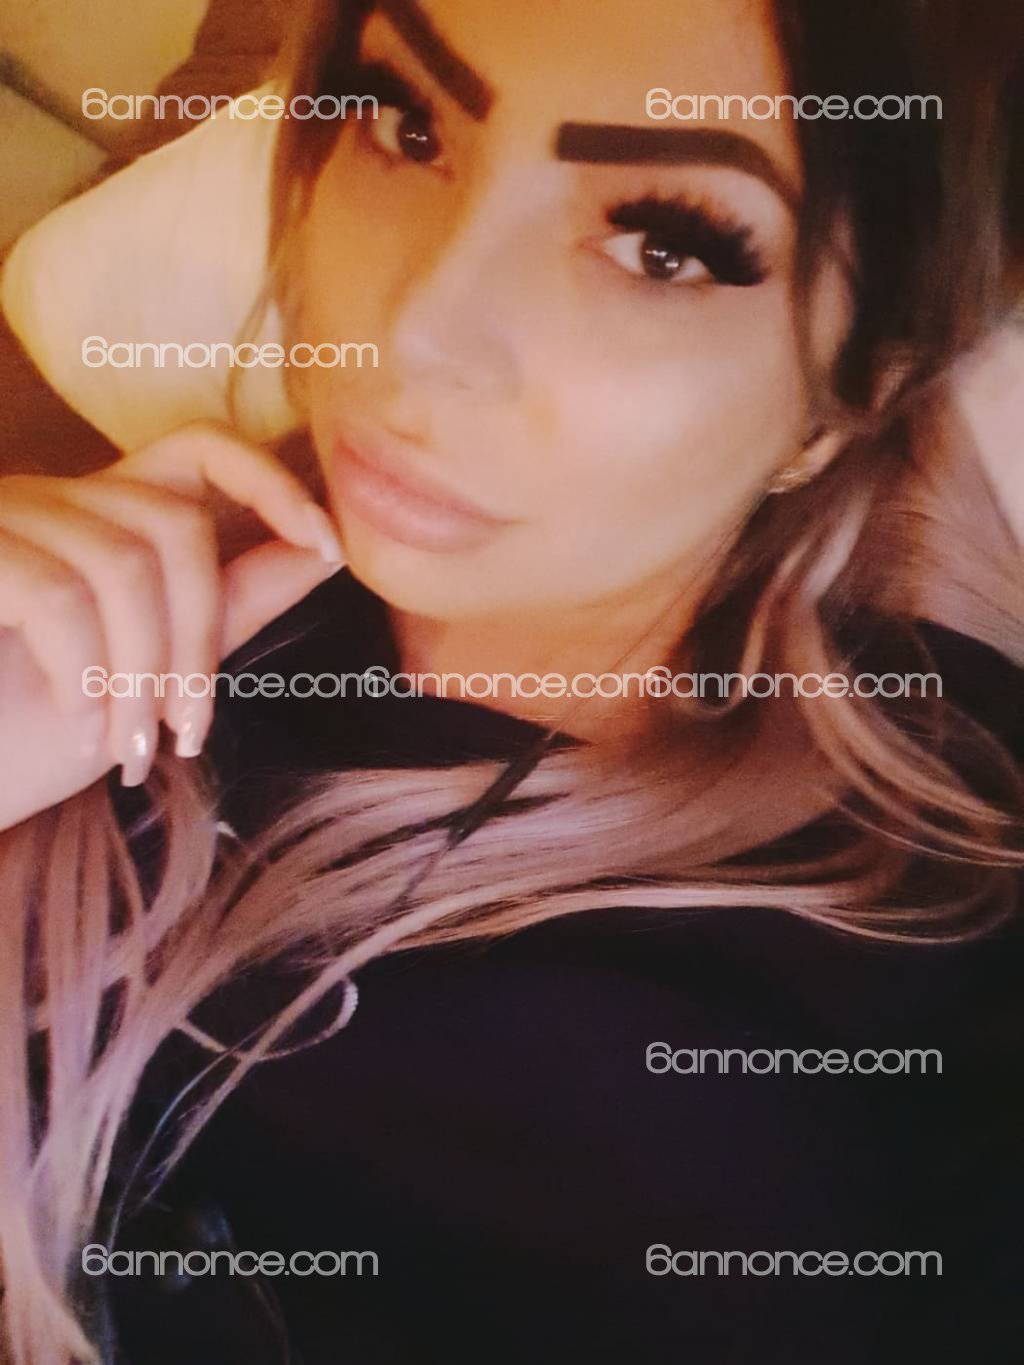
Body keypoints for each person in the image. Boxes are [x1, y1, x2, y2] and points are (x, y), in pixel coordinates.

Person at [0, 0, 1021, 1360]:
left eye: (664, 245)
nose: (415, 334)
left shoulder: (930, 931)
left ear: (848, 399)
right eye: (406, 124)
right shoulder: (110, 590)